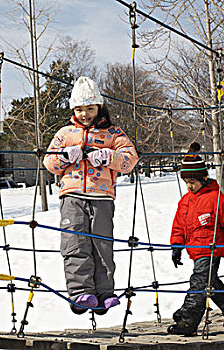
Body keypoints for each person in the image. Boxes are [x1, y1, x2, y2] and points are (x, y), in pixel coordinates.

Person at [43, 76, 139, 315]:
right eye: (79, 109)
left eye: (89, 108)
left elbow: (130, 159)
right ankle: (80, 292)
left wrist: (109, 157)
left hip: (102, 197)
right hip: (72, 195)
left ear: (99, 107)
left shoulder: (113, 133)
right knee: (74, 242)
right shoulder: (65, 133)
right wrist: (65, 157)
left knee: (102, 244)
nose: (85, 114)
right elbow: (49, 161)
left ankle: (105, 292)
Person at [167, 142, 224, 336]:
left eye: (193, 182)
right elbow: (179, 225)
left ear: (204, 178)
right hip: (194, 250)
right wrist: (177, 246)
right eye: (186, 182)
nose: (189, 186)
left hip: (211, 250)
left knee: (199, 283)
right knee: (210, 284)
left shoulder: (215, 198)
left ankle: (187, 320)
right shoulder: (185, 201)